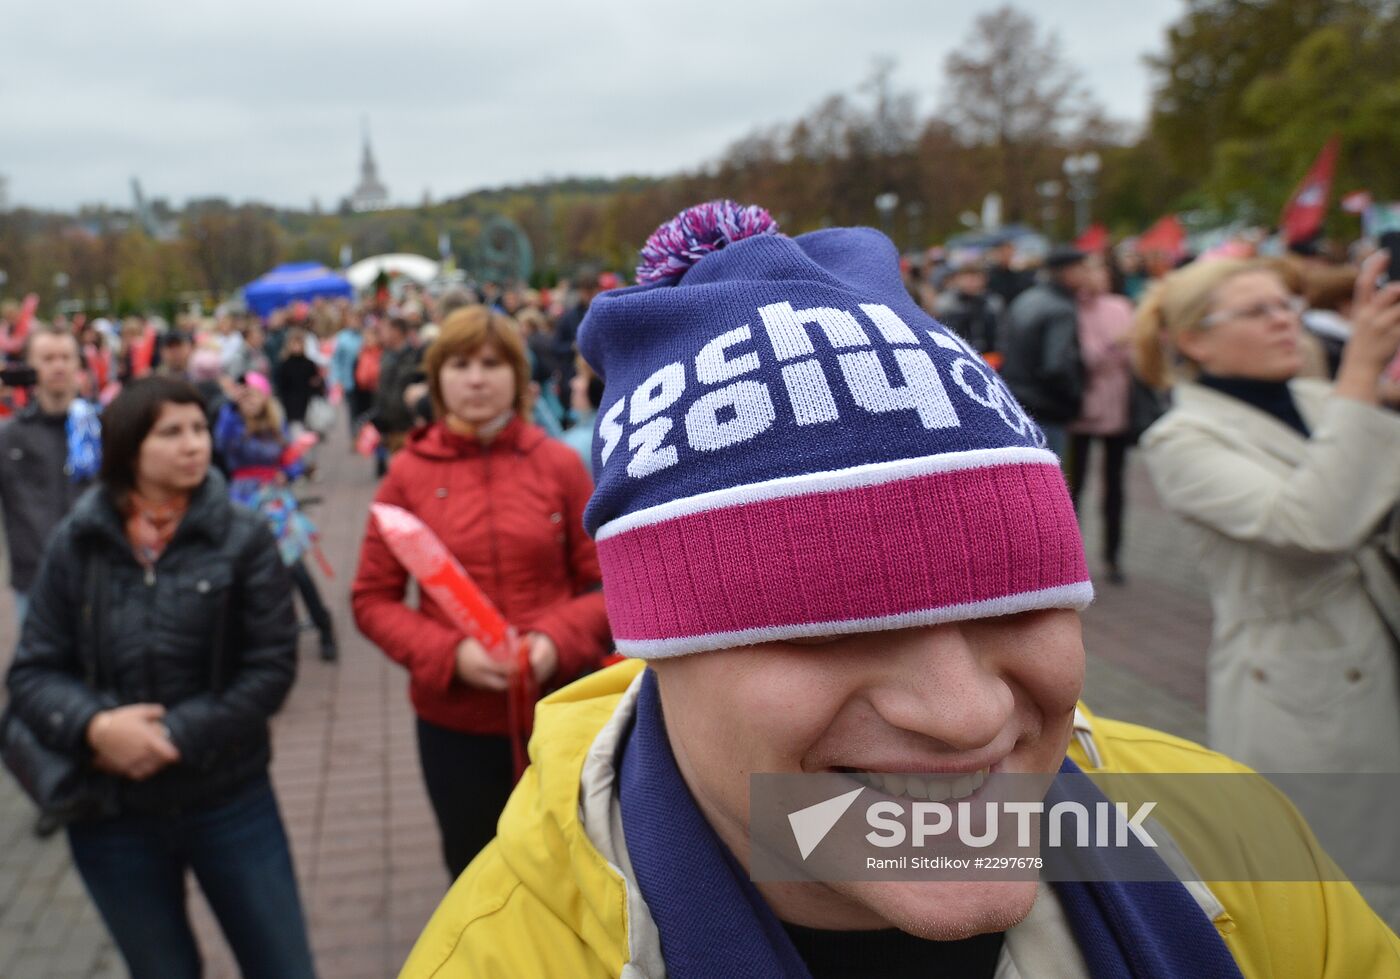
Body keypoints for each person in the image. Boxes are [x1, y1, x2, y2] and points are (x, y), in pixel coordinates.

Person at [399, 202, 1400, 978]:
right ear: (655, 645)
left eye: (1014, 598)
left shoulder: (1223, 830)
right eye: (823, 627)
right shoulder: (498, 952)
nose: (964, 715)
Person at [5, 376, 315, 979]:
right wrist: (96, 728)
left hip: (229, 797)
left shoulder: (243, 536)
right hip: (111, 812)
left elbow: (272, 667)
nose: (193, 444)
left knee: (282, 963)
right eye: (171, 432)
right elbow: (33, 671)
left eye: (199, 429)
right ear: (128, 447)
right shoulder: (79, 541)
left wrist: (172, 735)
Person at [1135, 254, 1400, 921]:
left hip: (1381, 641)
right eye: (1259, 311)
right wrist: (1362, 372)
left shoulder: (1320, 399)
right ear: (1193, 340)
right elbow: (1314, 524)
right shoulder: (1181, 438)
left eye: (1287, 304)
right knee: (1348, 884)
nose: (1286, 321)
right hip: (1303, 683)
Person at [352, 305, 611, 880]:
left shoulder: (559, 466)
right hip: (455, 723)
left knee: (575, 867)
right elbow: (372, 599)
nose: (476, 378)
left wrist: (554, 639)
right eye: (461, 363)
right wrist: (450, 656)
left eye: (492, 364)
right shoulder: (406, 476)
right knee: (476, 870)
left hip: (560, 710)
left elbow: (604, 584)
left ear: (518, 378)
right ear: (438, 377)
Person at [213, 372, 337, 661]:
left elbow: (291, 460)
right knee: (244, 571)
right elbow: (222, 442)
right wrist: (232, 409)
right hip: (241, 503)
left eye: (254, 393)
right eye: (244, 395)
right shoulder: (232, 426)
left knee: (295, 568)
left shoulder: (275, 425)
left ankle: (323, 624)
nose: (249, 400)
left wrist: (289, 473)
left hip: (275, 504)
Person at [0, 326, 93, 625]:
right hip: (35, 583)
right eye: (48, 358)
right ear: (30, 367)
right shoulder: (10, 436)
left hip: (98, 578)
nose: (58, 365)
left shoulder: (100, 430)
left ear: (78, 365)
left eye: (66, 357)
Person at [1066, 258, 1136, 584]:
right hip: (1081, 408)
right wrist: (1112, 347)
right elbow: (1082, 357)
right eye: (1089, 270)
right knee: (1073, 485)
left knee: (1115, 485)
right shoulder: (1071, 309)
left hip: (1119, 406)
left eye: (1101, 271)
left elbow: (1136, 352)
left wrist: (1122, 350)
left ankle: (1114, 556)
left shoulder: (1121, 305)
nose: (1095, 277)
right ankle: (1071, 557)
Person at [1001, 247, 1089, 456]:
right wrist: (1075, 399)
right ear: (1067, 272)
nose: (1087, 275)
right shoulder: (1060, 309)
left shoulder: (1027, 297)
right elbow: (1057, 366)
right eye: (1082, 269)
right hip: (1047, 407)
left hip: (1019, 401)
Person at [371, 315, 423, 457]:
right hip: (390, 427)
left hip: (408, 427)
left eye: (385, 330)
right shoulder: (386, 355)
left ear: (396, 332)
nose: (381, 334)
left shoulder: (415, 356)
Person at [933, 260, 1003, 358]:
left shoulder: (992, 302)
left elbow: (1000, 334)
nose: (971, 282)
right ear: (957, 279)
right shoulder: (947, 303)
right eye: (967, 277)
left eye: (976, 277)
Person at [273, 328, 326, 433]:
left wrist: (318, 384)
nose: (297, 346)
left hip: (309, 408)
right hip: (292, 408)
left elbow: (318, 385)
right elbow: (280, 388)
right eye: (294, 343)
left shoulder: (309, 364)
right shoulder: (284, 365)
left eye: (299, 343)